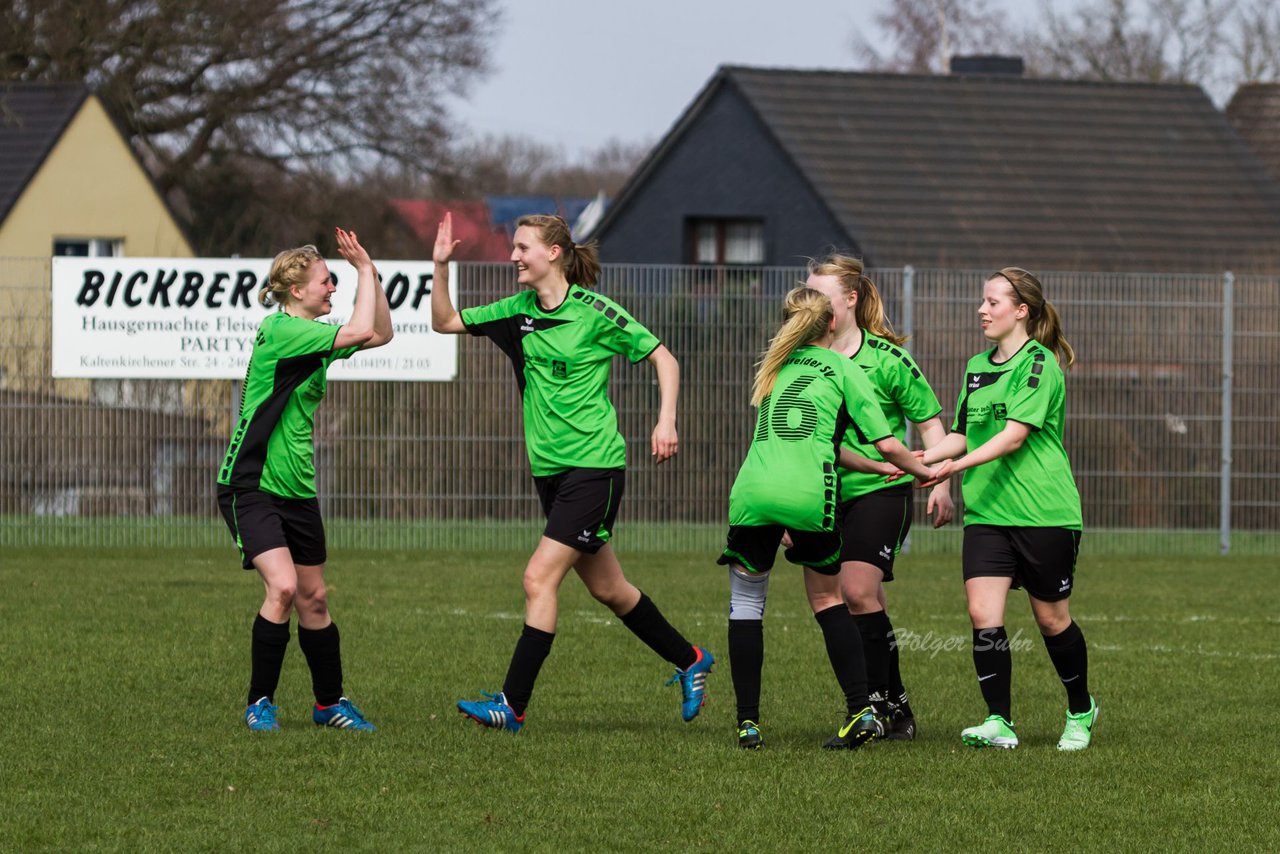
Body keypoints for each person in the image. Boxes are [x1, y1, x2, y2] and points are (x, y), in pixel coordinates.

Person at [431, 212, 714, 733]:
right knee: (609, 589)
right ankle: (691, 658)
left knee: (538, 577)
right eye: (514, 248)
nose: (513, 256)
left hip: (595, 468)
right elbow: (445, 322)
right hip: (551, 473)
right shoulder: (515, 312)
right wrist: (440, 266)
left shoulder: (595, 312)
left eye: (522, 248)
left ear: (554, 253)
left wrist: (665, 420)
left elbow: (664, 359)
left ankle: (510, 706)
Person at [719, 286, 934, 750]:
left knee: (747, 604)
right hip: (808, 496)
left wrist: (875, 469)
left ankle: (748, 723)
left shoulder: (774, 369)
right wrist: (924, 471)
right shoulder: (843, 367)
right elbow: (889, 443)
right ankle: (860, 711)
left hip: (753, 492)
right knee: (828, 601)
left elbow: (811, 439)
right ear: (831, 323)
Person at [217, 228, 394, 732]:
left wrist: (370, 274)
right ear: (297, 291)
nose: (332, 289)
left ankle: (329, 704)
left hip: (297, 489)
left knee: (315, 599)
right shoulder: (283, 333)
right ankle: (259, 703)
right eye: (326, 280)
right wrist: (363, 270)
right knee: (285, 588)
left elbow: (381, 334)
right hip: (251, 485)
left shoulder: (311, 337)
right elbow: (361, 332)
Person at [919, 267, 1097, 751]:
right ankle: (999, 719)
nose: (982, 309)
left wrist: (951, 468)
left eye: (994, 302)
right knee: (983, 613)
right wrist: (916, 460)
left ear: (1021, 311)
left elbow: (1012, 437)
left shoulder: (1039, 364)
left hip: (1044, 512)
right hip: (988, 514)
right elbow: (962, 432)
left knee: (1051, 620)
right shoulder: (977, 366)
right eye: (983, 301)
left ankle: (1080, 710)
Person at [805, 255, 954, 742]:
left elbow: (931, 424)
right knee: (861, 603)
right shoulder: (801, 359)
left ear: (850, 299)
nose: (809, 306)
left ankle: (870, 706)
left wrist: (942, 482)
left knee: (857, 592)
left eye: (819, 296)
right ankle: (898, 707)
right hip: (822, 495)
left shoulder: (888, 360)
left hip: (881, 489)